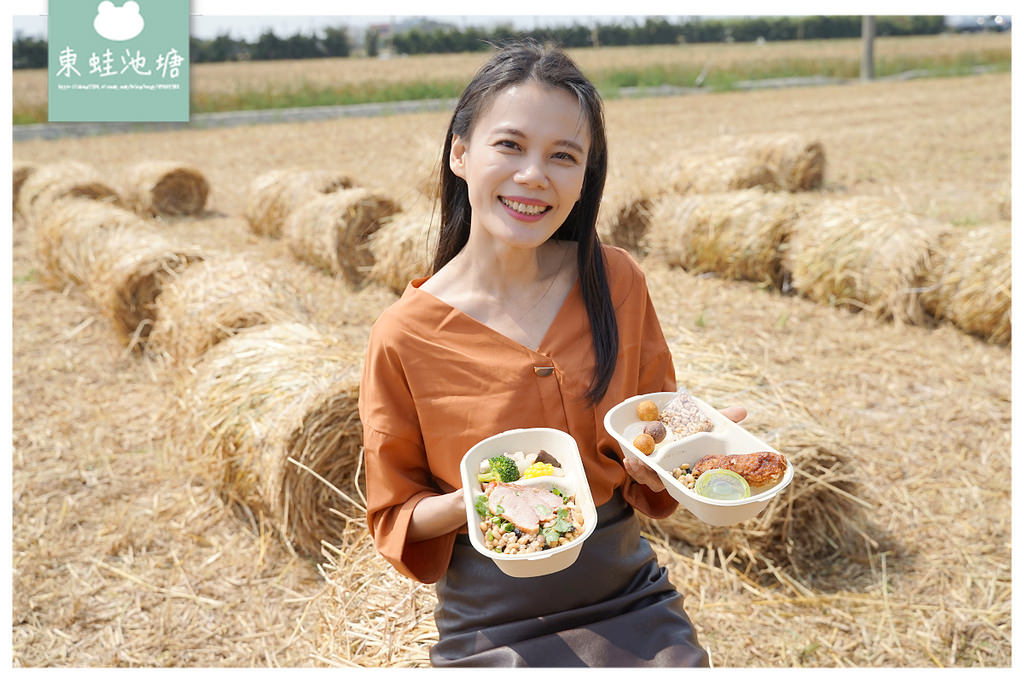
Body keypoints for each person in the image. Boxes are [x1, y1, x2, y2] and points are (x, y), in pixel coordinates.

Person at [358, 40, 746, 667]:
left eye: (563, 156)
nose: (534, 174)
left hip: (630, 596)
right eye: (509, 145)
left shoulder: (616, 281)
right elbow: (397, 515)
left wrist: (678, 457)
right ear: (461, 152)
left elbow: (649, 431)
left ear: (585, 176)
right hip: (492, 619)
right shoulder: (404, 334)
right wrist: (482, 499)